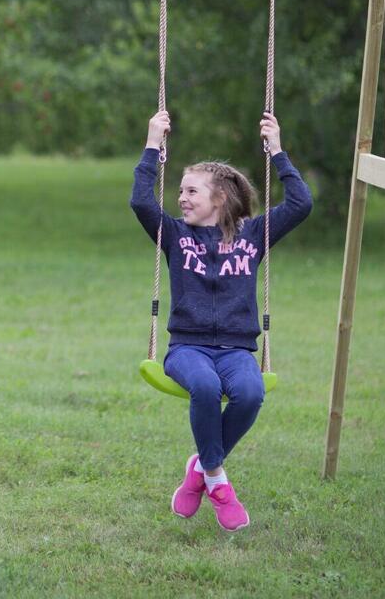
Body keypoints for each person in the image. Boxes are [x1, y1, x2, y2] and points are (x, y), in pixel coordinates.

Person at [130, 110, 312, 530]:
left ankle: (200, 468)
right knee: (207, 388)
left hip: (236, 349)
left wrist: (278, 151)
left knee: (250, 392)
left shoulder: (254, 235)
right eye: (180, 190)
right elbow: (141, 200)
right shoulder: (175, 235)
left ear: (221, 199)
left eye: (192, 190)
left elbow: (302, 203)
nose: (182, 197)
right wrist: (152, 144)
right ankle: (217, 479)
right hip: (187, 349)